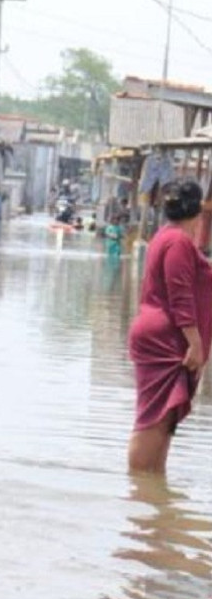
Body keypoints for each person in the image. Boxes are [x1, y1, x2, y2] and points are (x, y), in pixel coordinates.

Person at [128, 178, 212, 474]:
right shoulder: (177, 241)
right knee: (153, 418)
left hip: (165, 334)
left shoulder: (168, 237)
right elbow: (180, 295)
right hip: (166, 339)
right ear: (199, 210)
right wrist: (196, 343)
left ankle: (152, 494)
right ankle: (139, 489)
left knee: (162, 420)